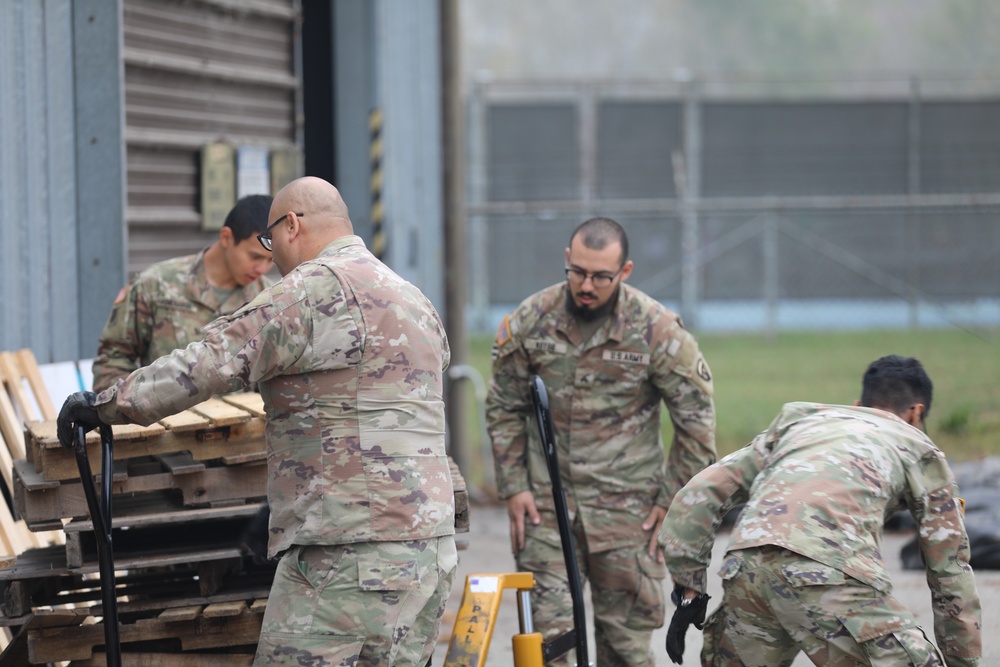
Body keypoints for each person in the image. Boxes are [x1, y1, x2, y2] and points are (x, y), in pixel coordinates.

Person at [58, 176, 458, 667]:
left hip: (346, 553)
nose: (272, 260)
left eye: (271, 243)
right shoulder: (414, 299)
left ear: (291, 225)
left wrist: (103, 405)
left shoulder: (308, 293)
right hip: (429, 552)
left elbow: (206, 364)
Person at [486, 217, 717, 667]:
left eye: (601, 277)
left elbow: (696, 422)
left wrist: (671, 499)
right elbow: (503, 405)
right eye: (578, 272)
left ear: (625, 271)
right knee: (547, 646)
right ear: (567, 260)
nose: (586, 285)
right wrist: (513, 485)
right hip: (548, 512)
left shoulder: (657, 331)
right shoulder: (532, 320)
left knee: (625, 649)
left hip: (628, 518)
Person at [659, 355, 982, 667]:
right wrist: (963, 661)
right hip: (828, 572)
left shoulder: (800, 425)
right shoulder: (919, 448)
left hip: (747, 567)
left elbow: (700, 493)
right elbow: (950, 571)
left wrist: (691, 589)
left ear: (859, 406)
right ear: (916, 413)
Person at [91, 194, 275, 392]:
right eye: (255, 256)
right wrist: (134, 405)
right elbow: (112, 360)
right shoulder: (156, 285)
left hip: (243, 421)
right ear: (226, 238)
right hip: (168, 420)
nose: (262, 268)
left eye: (270, 260)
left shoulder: (268, 299)